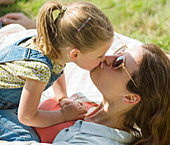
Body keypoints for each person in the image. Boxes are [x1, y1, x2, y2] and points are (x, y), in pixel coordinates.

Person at [1, 44, 169, 145]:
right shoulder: (90, 101)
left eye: (119, 63)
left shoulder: (95, 142)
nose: (107, 57)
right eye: (119, 51)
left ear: (130, 97)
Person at [0, 0, 114, 142]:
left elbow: (56, 69)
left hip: (8, 99)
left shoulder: (51, 46)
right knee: (25, 138)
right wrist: (63, 115)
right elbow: (27, 117)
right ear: (75, 54)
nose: (104, 59)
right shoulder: (40, 68)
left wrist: (62, 97)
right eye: (100, 56)